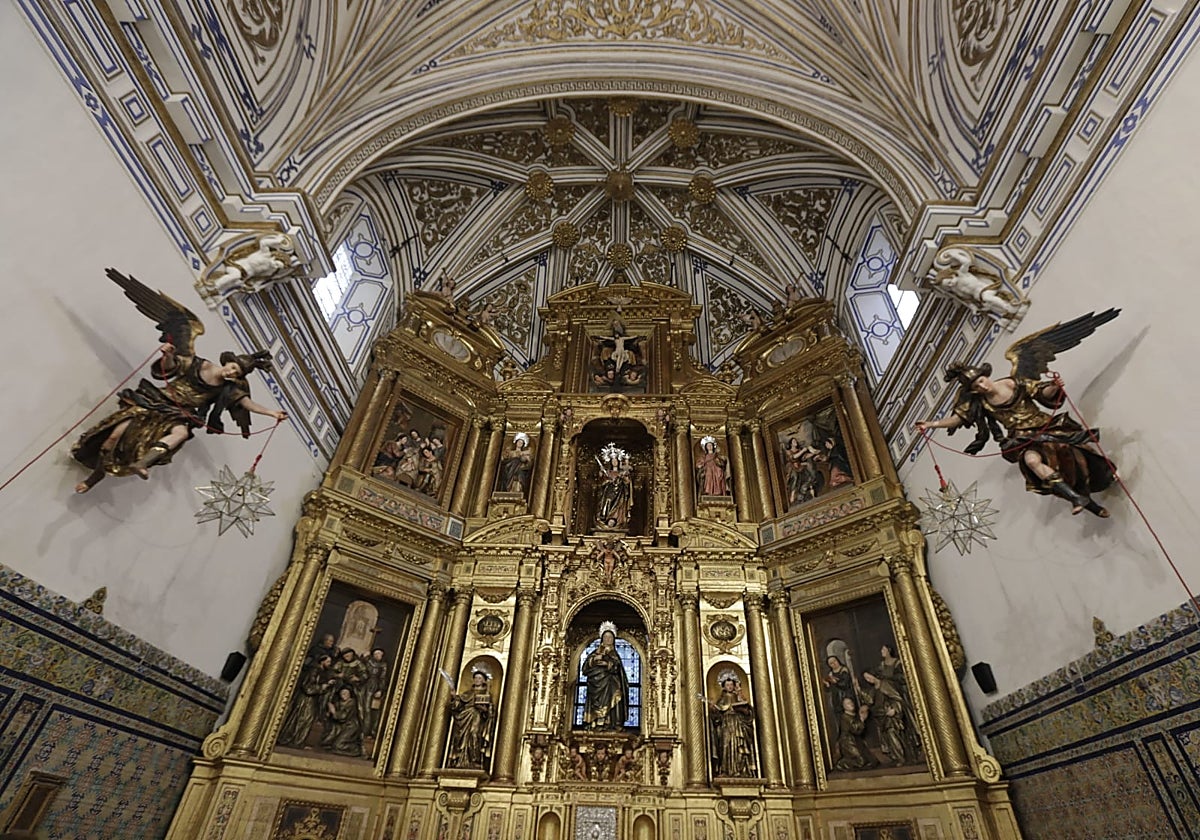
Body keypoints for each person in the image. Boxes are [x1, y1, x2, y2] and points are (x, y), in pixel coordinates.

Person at [915, 309, 1120, 517]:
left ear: (986, 376)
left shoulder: (1013, 382)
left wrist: (1054, 386)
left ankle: (1101, 477)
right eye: (977, 387)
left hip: (1044, 425)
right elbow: (957, 419)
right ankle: (1077, 499)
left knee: (1078, 450)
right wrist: (931, 425)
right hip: (1022, 439)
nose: (982, 387)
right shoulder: (982, 404)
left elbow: (1040, 391)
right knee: (1032, 463)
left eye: (981, 381)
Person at [71, 343, 285, 493]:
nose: (231, 373)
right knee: (113, 436)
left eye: (236, 373)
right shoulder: (201, 365)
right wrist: (167, 355)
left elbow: (246, 404)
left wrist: (271, 413)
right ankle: (97, 474)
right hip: (156, 402)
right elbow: (170, 367)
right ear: (227, 362)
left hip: (179, 415)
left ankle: (141, 463)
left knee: (181, 433)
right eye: (232, 367)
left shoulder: (227, 389)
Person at [860, 672, 919, 765]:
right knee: (889, 738)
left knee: (893, 735)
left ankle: (902, 758)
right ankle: (897, 757)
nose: (868, 679)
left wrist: (894, 709)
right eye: (866, 678)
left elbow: (897, 698)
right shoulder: (873, 689)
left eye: (869, 676)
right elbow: (870, 702)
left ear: (874, 674)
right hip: (881, 717)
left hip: (892, 716)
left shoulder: (885, 684)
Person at [277, 655, 336, 748]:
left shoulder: (321, 672)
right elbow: (307, 687)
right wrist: (321, 687)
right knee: (303, 719)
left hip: (312, 699)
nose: (329, 664)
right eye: (328, 662)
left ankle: (298, 741)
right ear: (322, 662)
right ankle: (294, 741)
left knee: (307, 719)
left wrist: (327, 684)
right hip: (306, 699)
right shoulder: (314, 671)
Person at [708, 674, 758, 777]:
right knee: (726, 745)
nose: (730, 687)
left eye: (731, 685)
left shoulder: (738, 696)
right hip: (726, 725)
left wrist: (744, 709)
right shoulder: (721, 699)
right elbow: (717, 716)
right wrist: (714, 710)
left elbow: (748, 712)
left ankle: (741, 770)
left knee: (739, 746)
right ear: (724, 686)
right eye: (727, 685)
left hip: (738, 724)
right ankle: (726, 770)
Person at [582, 624, 629, 730]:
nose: (608, 639)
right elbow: (585, 668)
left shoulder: (614, 655)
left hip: (611, 683)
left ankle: (611, 722)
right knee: (597, 701)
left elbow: (618, 668)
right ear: (602, 639)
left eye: (610, 637)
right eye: (606, 637)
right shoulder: (594, 653)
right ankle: (596, 721)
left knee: (615, 697)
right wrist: (594, 660)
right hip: (596, 684)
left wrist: (608, 664)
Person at [447, 669, 496, 771]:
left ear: (484, 681)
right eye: (476, 678)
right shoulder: (467, 693)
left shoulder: (486, 694)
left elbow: (489, 712)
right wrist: (453, 697)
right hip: (464, 717)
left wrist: (483, 709)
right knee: (461, 737)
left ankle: (474, 760)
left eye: (480, 678)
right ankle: (460, 759)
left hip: (477, 717)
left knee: (474, 735)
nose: (477, 680)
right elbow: (457, 706)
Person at [833, 696, 878, 772]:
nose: (851, 704)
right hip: (848, 743)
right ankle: (841, 763)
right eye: (848, 703)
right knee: (861, 761)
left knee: (871, 761)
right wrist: (862, 719)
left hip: (856, 741)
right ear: (844, 707)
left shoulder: (853, 715)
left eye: (851, 702)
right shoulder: (844, 717)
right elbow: (855, 729)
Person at [594, 448, 632, 531]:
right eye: (613, 461)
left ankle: (616, 520)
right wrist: (605, 478)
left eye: (616, 461)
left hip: (619, 493)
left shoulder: (621, 472)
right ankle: (606, 519)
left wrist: (623, 477)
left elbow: (627, 482)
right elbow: (601, 483)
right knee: (606, 504)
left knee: (619, 506)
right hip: (609, 492)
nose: (614, 462)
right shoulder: (608, 472)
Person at [321, 685, 364, 757]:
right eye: (342, 693)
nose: (344, 695)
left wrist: (334, 711)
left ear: (350, 694)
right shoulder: (339, 702)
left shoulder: (352, 703)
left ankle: (356, 748)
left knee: (338, 745)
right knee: (329, 740)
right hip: (341, 726)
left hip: (351, 727)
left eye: (346, 693)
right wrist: (329, 711)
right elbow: (329, 715)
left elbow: (343, 716)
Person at [361, 648, 389, 737]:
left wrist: (380, 690)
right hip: (365, 684)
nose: (378, 656)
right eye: (376, 654)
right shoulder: (368, 661)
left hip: (374, 686)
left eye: (379, 654)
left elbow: (383, 678)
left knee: (369, 709)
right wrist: (364, 657)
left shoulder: (383, 665)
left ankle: (367, 731)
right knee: (362, 707)